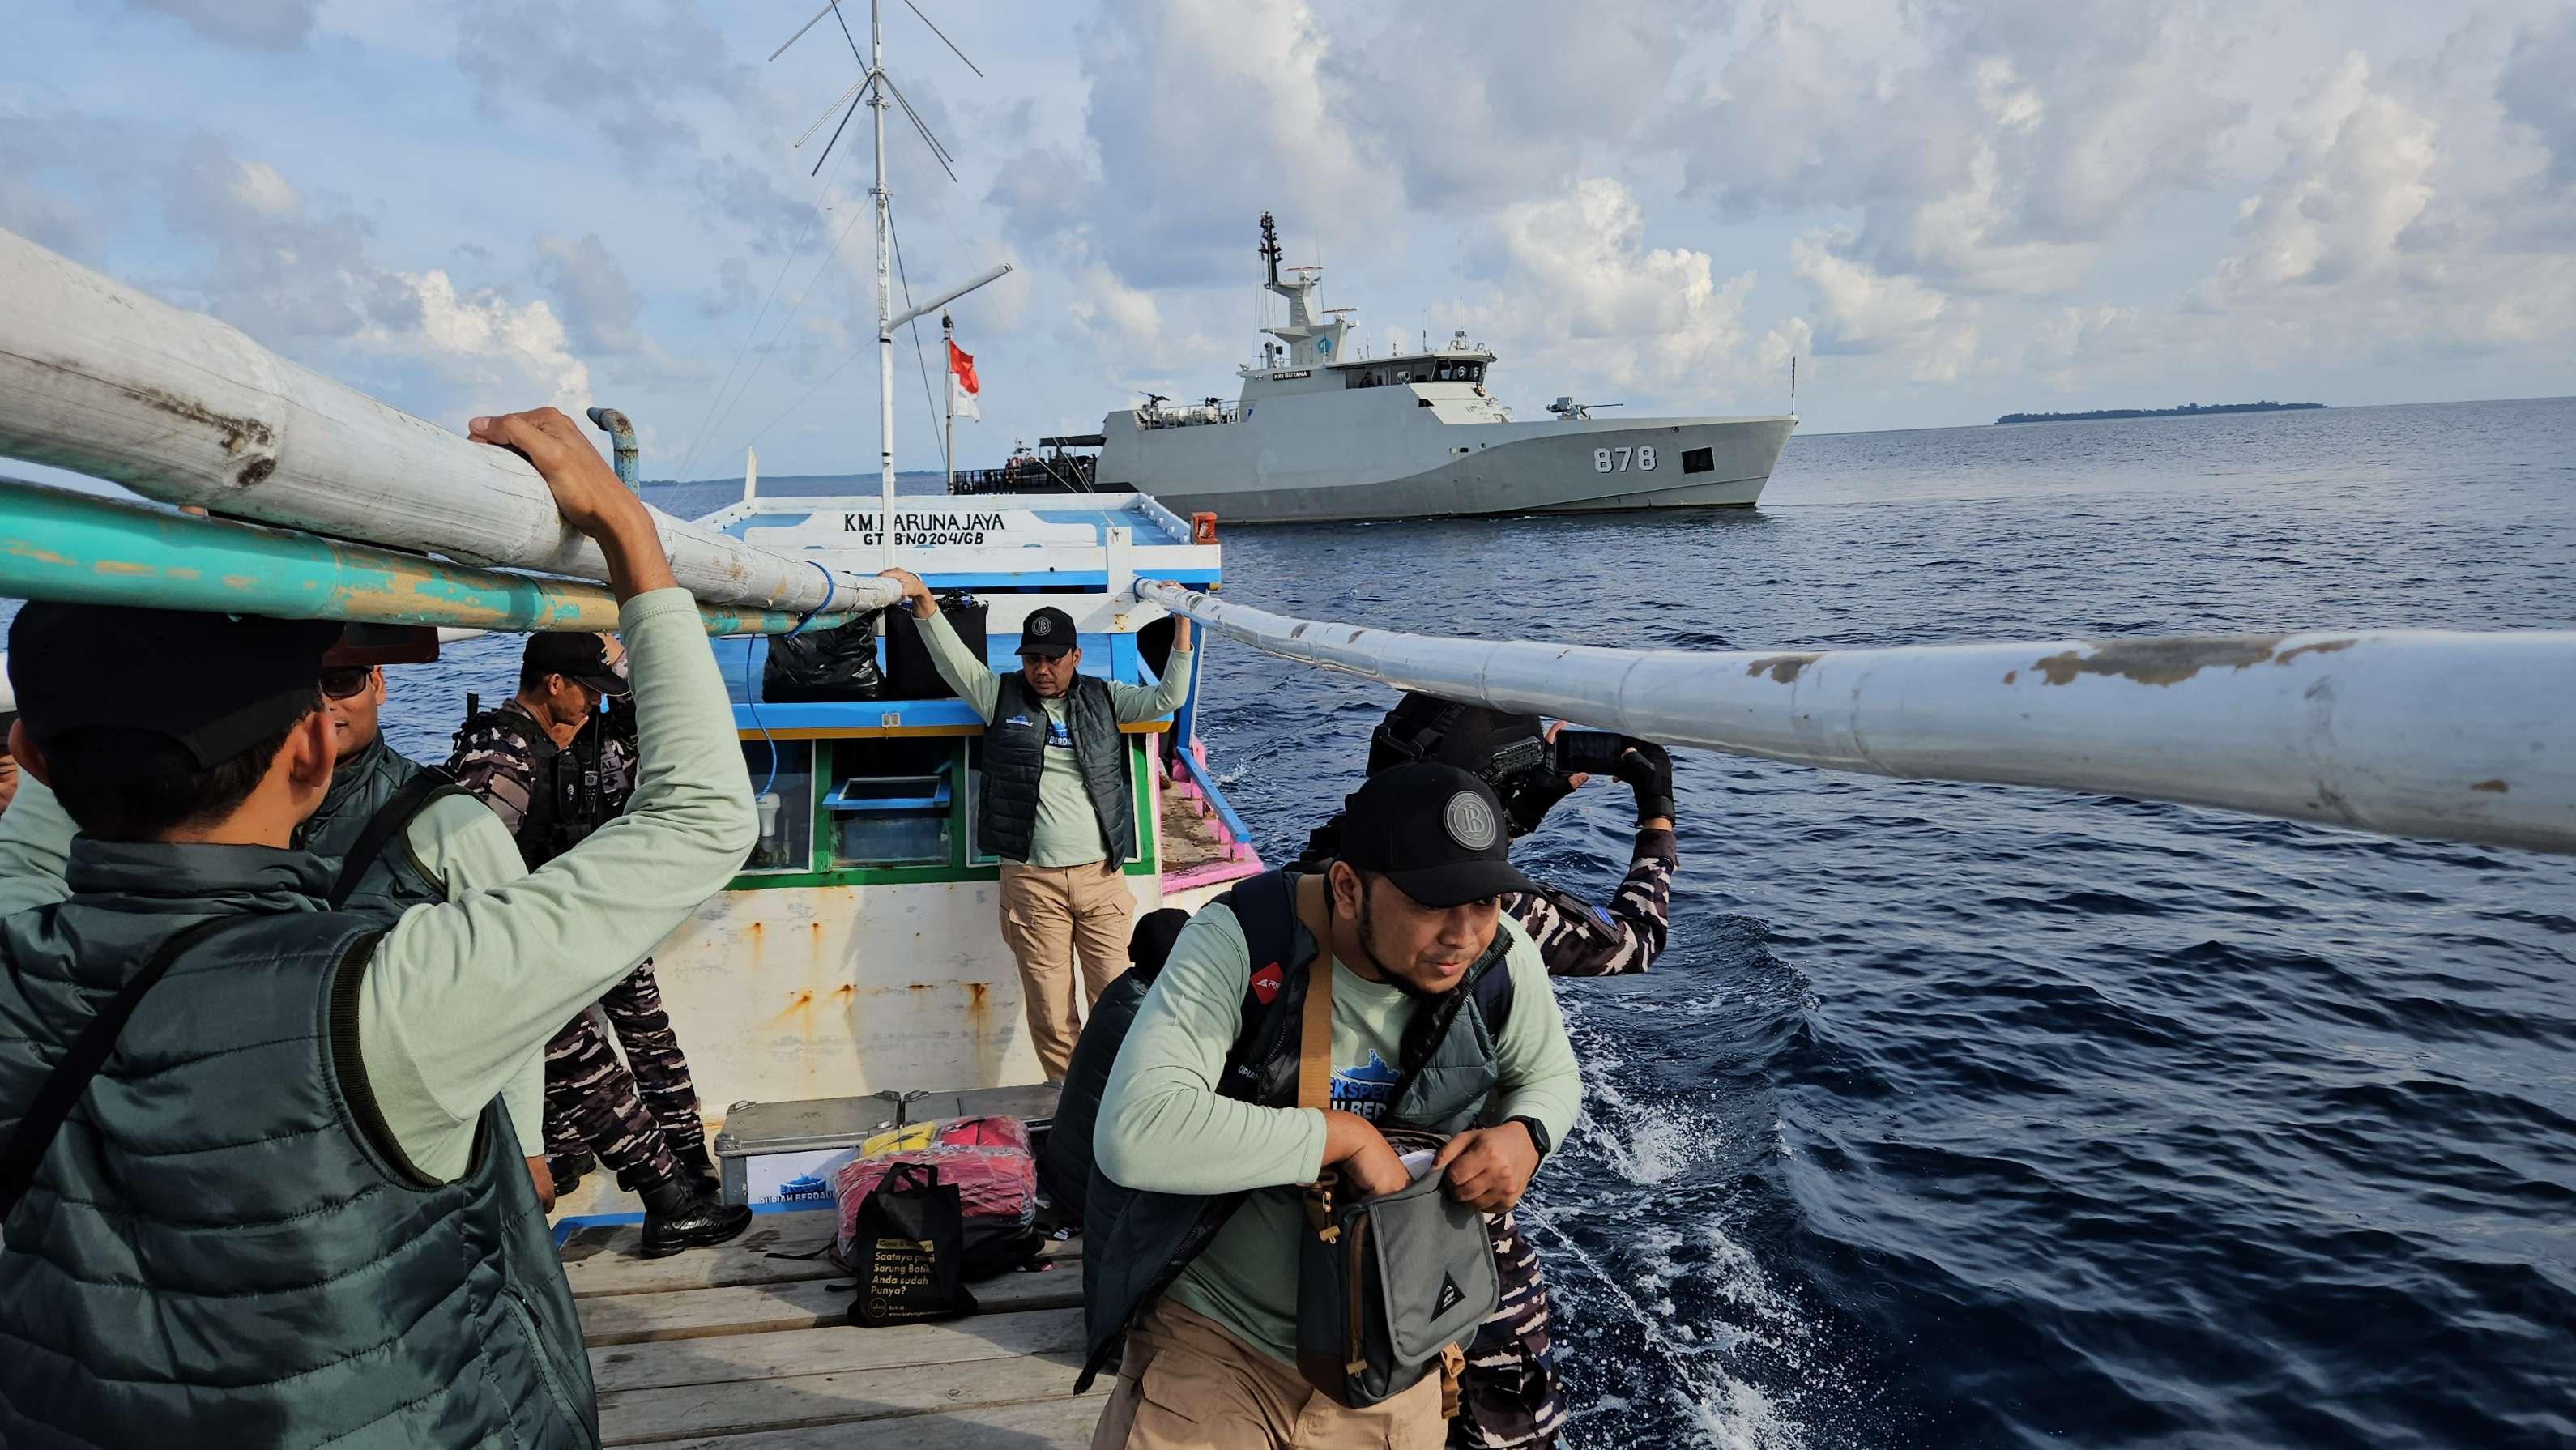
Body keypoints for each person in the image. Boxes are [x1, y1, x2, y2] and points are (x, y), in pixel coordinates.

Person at [0, 405, 756, 1446]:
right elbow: (704, 817)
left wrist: (135, 612)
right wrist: (628, 529)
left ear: (31, 759)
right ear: (315, 748)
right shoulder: (387, 998)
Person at [1080, 762, 1585, 1449]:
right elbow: (1136, 1129)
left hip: (1393, 1360)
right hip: (1221, 1341)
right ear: (1348, 889)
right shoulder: (1242, 937)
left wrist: (1527, 1134)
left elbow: (1553, 1075)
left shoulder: (1501, 959)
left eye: (1486, 902)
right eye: (1433, 902)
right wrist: (1345, 1138)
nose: (1464, 935)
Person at [1291, 695, 1679, 1449]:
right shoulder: (1503, 926)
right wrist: (1655, 810)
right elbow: (1635, 941)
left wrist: (1509, 816)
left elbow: (1433, 845)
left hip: (1317, 1221)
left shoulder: (1326, 878)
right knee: (1507, 1408)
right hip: (1440, 1224)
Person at [450, 630, 748, 1256]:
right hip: (535, 936)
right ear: (553, 684)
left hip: (602, 914)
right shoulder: (499, 748)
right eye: (586, 690)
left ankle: (688, 1165)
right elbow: (476, 857)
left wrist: (626, 653)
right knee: (582, 1066)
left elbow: (660, 719)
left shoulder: (595, 734)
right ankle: (642, 1189)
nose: (593, 704)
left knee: (647, 1035)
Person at [878, 569, 1195, 1082]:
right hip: (1032, 883)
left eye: (1051, 658)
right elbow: (953, 661)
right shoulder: (998, 697)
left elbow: (1167, 700)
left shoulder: (1106, 698)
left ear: (1075, 657)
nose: (1041, 669)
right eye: (1032, 659)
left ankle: (1120, 1098)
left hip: (1100, 880)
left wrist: (1182, 627)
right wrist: (923, 600)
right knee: (1051, 1011)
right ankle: (1067, 1103)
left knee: (1119, 999)